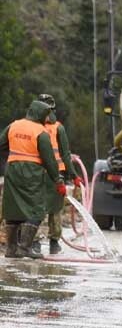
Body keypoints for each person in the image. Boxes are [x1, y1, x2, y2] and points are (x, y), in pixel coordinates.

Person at [0, 100, 65, 259]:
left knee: (12, 208)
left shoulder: (13, 125)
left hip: (12, 170)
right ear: (39, 114)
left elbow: (1, 144)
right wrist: (58, 181)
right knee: (37, 209)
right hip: (32, 174)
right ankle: (25, 248)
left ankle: (11, 249)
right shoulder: (41, 132)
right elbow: (50, 160)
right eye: (46, 115)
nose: (47, 118)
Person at [38, 94, 81, 255]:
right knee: (55, 208)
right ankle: (54, 243)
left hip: (36, 173)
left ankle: (32, 243)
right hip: (56, 174)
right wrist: (74, 175)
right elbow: (65, 155)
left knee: (35, 206)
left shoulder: (30, 127)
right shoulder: (58, 128)